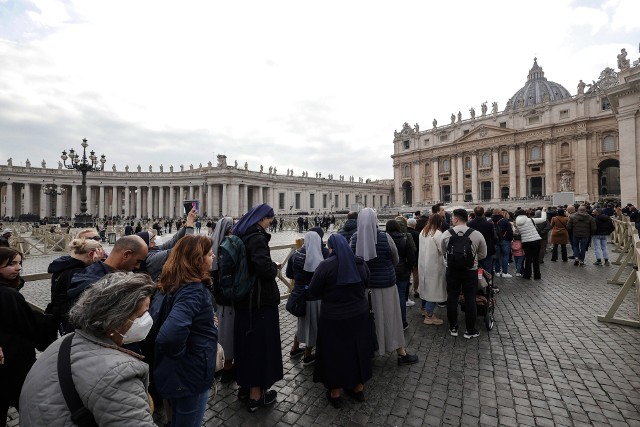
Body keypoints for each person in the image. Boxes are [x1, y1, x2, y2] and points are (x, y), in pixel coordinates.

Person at [19, 272, 157, 426]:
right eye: (143, 314)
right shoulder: (117, 373)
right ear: (117, 318)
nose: (148, 319)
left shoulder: (65, 341)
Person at [152, 235, 218, 426]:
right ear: (197, 259)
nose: (213, 256)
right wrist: (189, 356)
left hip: (172, 371)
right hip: (190, 373)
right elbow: (169, 336)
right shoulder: (193, 290)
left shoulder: (169, 282)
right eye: (209, 254)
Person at [308, 234, 373, 408]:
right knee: (358, 350)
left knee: (334, 353)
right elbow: (367, 283)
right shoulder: (360, 263)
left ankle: (335, 393)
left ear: (331, 248)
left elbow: (313, 291)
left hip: (333, 318)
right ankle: (358, 388)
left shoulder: (326, 265)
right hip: (359, 314)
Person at [232, 203, 283, 412]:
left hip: (244, 300)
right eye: (269, 219)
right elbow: (263, 267)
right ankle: (255, 396)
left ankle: (244, 387)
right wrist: (274, 267)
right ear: (262, 218)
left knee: (246, 343)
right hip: (259, 301)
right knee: (260, 346)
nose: (271, 222)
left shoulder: (242, 233)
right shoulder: (257, 236)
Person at [350, 208, 418, 365]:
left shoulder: (354, 238)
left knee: (366, 320)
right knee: (391, 318)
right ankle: (401, 353)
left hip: (364, 287)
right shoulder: (385, 237)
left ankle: (369, 350)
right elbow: (395, 259)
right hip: (386, 284)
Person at [0, 248, 58, 424]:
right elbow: (28, 324)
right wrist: (49, 320)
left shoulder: (8, 289)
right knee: (25, 398)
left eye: (19, 263)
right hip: (15, 357)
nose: (18, 268)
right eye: (11, 264)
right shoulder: (8, 294)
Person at [440, 209, 487, 339]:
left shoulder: (446, 234)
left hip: (452, 270)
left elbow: (442, 251)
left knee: (452, 298)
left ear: (455, 219)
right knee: (470, 299)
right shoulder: (477, 234)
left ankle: (453, 327)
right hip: (470, 270)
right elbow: (483, 254)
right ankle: (470, 330)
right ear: (467, 219)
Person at [46, 237, 104, 335]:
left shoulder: (63, 265)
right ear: (91, 254)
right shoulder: (79, 273)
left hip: (61, 315)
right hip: (73, 320)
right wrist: (98, 265)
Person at [68, 235, 148, 305]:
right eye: (138, 261)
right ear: (126, 254)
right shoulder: (92, 283)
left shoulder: (96, 273)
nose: (138, 266)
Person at [285, 231, 325, 365]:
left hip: (298, 295)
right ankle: (308, 355)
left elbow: (289, 273)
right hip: (314, 297)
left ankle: (295, 348)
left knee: (301, 322)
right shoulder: (319, 258)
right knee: (312, 325)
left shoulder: (295, 255)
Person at [137, 209, 196, 281]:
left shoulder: (152, 250)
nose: (155, 241)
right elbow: (185, 249)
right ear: (146, 244)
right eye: (153, 240)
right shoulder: (152, 258)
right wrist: (190, 226)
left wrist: (186, 226)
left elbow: (173, 241)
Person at [210, 217, 235, 383]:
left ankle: (224, 364)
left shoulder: (214, 249)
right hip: (228, 297)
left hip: (219, 297)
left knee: (223, 330)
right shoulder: (228, 247)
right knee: (227, 332)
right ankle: (226, 367)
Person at [386, 219, 416, 330]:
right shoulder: (405, 239)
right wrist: (408, 267)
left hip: (389, 271)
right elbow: (412, 258)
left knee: (388, 298)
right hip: (403, 272)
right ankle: (403, 322)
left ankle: (390, 322)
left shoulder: (385, 239)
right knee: (401, 297)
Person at [418, 213, 447, 325]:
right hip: (434, 265)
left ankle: (424, 309)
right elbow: (442, 250)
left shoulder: (423, 231)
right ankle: (429, 315)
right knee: (433, 289)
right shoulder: (438, 233)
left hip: (423, 264)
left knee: (425, 287)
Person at [514, 209, 547, 279]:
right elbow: (543, 219)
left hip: (525, 241)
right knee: (536, 258)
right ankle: (537, 275)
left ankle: (527, 275)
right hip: (535, 240)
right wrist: (543, 211)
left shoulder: (517, 222)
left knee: (528, 258)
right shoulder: (530, 220)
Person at [467, 206, 496, 276]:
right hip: (487, 249)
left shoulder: (469, 224)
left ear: (474, 213)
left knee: (474, 270)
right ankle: (487, 285)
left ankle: (476, 284)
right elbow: (494, 237)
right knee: (487, 270)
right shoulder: (489, 224)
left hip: (474, 249)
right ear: (483, 213)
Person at [492, 209, 513, 277]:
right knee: (505, 256)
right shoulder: (504, 221)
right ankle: (504, 272)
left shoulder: (491, 221)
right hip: (505, 240)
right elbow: (510, 231)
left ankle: (497, 271)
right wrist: (510, 239)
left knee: (497, 256)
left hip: (496, 240)